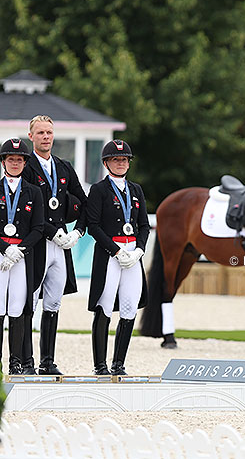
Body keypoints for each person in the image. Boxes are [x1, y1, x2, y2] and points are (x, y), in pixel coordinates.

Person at [21, 115, 88, 375]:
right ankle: (26, 361)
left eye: (49, 132)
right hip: (37, 243)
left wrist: (79, 231)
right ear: (31, 136)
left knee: (53, 303)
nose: (45, 137)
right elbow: (28, 211)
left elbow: (83, 202)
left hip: (61, 245)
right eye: (40, 133)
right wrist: (51, 232)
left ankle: (47, 361)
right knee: (30, 302)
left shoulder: (63, 166)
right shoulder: (26, 167)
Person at [0, 139, 44, 374]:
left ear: (25, 163)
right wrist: (6, 248)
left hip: (21, 257)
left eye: (19, 159)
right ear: (3, 161)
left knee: (17, 309)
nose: (15, 163)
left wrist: (19, 250)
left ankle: (15, 362)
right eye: (11, 159)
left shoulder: (34, 192)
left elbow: (38, 227)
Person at [86, 140, 149, 375]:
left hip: (132, 254)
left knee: (130, 306)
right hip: (109, 254)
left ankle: (118, 363)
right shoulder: (99, 190)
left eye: (124, 160)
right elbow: (93, 226)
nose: (120, 163)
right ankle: (100, 365)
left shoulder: (136, 190)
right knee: (104, 305)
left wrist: (139, 250)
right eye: (116, 160)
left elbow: (143, 225)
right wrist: (115, 250)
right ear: (106, 163)